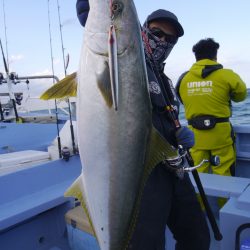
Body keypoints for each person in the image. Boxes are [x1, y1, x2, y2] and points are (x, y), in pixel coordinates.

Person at [76, 1, 211, 249]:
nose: (163, 42)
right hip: (144, 174)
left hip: (174, 169)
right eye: (157, 33)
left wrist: (178, 133)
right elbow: (93, 15)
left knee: (197, 236)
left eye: (170, 39)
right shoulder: (127, 62)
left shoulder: (167, 80)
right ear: (143, 30)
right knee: (146, 243)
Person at [176, 38, 247, 207]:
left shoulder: (183, 79)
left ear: (196, 57)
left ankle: (198, 212)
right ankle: (225, 209)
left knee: (198, 173)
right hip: (220, 135)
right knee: (223, 173)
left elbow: (181, 99)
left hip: (195, 136)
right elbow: (241, 96)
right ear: (215, 56)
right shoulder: (227, 75)